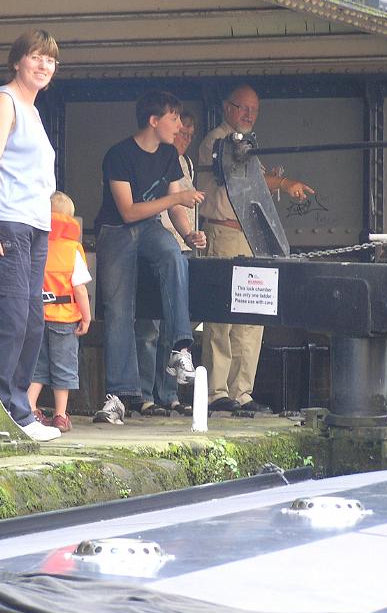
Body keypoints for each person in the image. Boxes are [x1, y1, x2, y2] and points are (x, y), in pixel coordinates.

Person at [198, 84, 315, 413]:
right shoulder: (217, 141)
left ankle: (241, 391)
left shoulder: (246, 144)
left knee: (252, 314)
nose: (249, 115)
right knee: (222, 315)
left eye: (254, 110)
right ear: (227, 107)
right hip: (224, 232)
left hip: (251, 235)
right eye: (243, 108)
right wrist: (284, 183)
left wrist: (279, 182)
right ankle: (216, 393)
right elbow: (242, 178)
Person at [93, 91, 206, 424]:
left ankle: (180, 350)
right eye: (173, 119)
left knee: (175, 255)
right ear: (154, 121)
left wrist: (187, 235)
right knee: (119, 309)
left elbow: (174, 205)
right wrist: (179, 197)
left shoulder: (169, 154)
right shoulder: (119, 154)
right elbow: (128, 212)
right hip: (116, 231)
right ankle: (119, 395)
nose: (179, 125)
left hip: (152, 227)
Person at [0, 29, 62, 442]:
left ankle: (20, 410)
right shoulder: (5, 100)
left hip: (37, 226)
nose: (44, 65)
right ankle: (4, 411)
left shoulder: (34, 110)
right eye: (36, 57)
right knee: (11, 320)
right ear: (17, 61)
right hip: (10, 223)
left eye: (50, 60)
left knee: (33, 322)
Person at [136, 109, 199, 416]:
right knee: (150, 326)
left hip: (178, 246)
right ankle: (145, 393)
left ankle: (169, 393)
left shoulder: (183, 162)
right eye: (179, 129)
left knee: (174, 321)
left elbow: (181, 209)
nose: (182, 136)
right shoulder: (153, 156)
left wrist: (190, 235)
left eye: (188, 134)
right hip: (154, 244)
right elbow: (170, 204)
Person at [28, 191, 92, 433]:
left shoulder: (38, 245)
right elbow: (80, 289)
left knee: (38, 365)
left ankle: (30, 407)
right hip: (65, 319)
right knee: (63, 366)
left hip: (38, 316)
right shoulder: (72, 250)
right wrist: (86, 317)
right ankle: (60, 415)